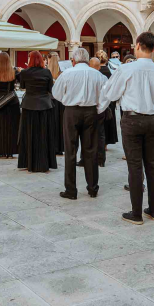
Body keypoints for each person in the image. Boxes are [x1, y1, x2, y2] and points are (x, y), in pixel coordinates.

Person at [98, 31, 154, 225]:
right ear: (153, 48)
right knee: (152, 164)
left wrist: (104, 106)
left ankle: (136, 213)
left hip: (132, 119)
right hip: (153, 119)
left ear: (137, 46)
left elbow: (111, 93)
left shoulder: (126, 69)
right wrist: (153, 99)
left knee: (135, 165)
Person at [55, 47, 108, 200]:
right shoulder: (97, 75)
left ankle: (71, 190)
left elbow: (56, 93)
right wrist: (98, 109)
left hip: (72, 111)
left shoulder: (67, 73)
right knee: (90, 150)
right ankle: (93, 188)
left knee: (70, 150)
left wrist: (67, 100)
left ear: (73, 60)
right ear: (88, 59)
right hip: (91, 111)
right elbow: (106, 95)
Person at [17, 51, 57, 173]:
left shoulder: (25, 72)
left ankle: (28, 161)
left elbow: (22, 86)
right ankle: (44, 162)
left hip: (29, 105)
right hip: (44, 105)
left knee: (29, 133)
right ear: (41, 60)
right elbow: (50, 88)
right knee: (44, 133)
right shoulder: (47, 72)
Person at [0, 52, 20, 158]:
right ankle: (11, 150)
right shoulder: (15, 71)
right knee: (13, 126)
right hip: (12, 100)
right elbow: (21, 81)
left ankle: (0, 150)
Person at [95, 50, 118, 166]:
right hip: (109, 101)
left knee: (100, 125)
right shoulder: (110, 71)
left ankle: (101, 145)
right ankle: (106, 143)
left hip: (100, 101)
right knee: (108, 121)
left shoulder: (97, 72)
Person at [47, 53, 64, 155]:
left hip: (49, 100)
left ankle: (51, 146)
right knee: (60, 124)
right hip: (60, 101)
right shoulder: (62, 72)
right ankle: (59, 147)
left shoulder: (46, 72)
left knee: (51, 124)